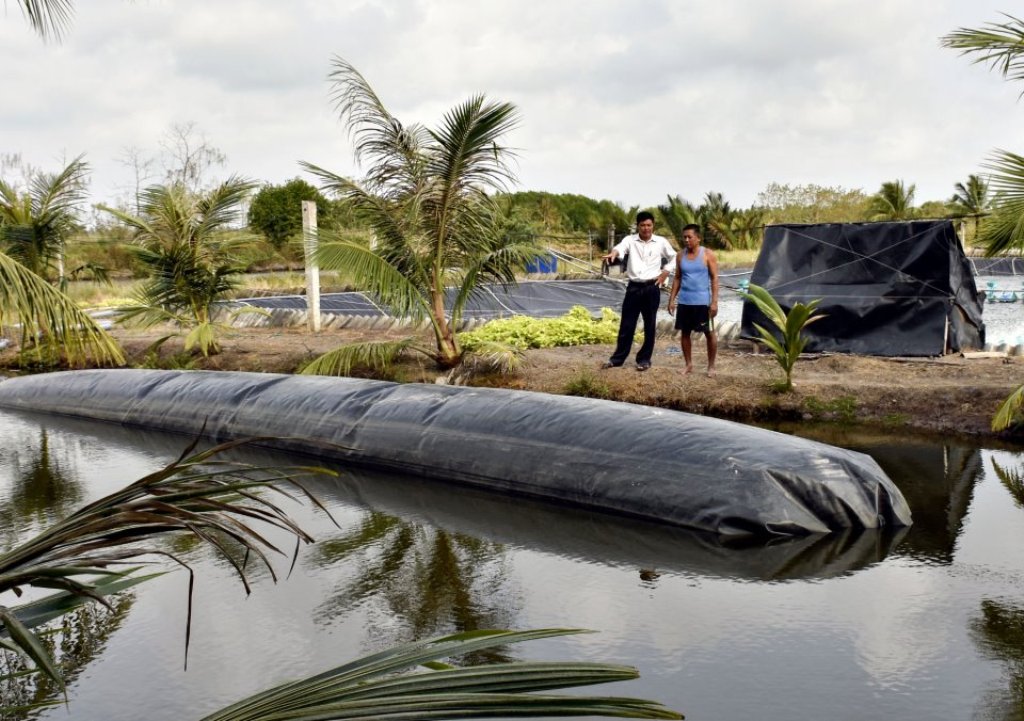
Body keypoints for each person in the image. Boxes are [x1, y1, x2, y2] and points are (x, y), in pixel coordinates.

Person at [601, 211, 677, 371]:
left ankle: (644, 360)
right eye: (642, 225)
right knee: (627, 324)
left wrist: (666, 272)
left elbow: (675, 257)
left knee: (650, 325)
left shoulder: (661, 242)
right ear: (638, 226)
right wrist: (614, 253)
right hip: (634, 287)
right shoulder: (630, 240)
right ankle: (617, 358)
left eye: (648, 225)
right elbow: (620, 248)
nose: (646, 228)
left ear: (653, 225)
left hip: (652, 287)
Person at [667, 224, 719, 376]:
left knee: (709, 333)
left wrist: (714, 302)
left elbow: (715, 279)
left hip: (703, 302)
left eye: (690, 237)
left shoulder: (708, 254)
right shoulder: (680, 256)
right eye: (684, 237)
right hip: (685, 302)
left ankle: (711, 366)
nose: (686, 240)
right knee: (685, 333)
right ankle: (688, 364)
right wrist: (672, 300)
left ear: (698, 238)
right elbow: (677, 278)